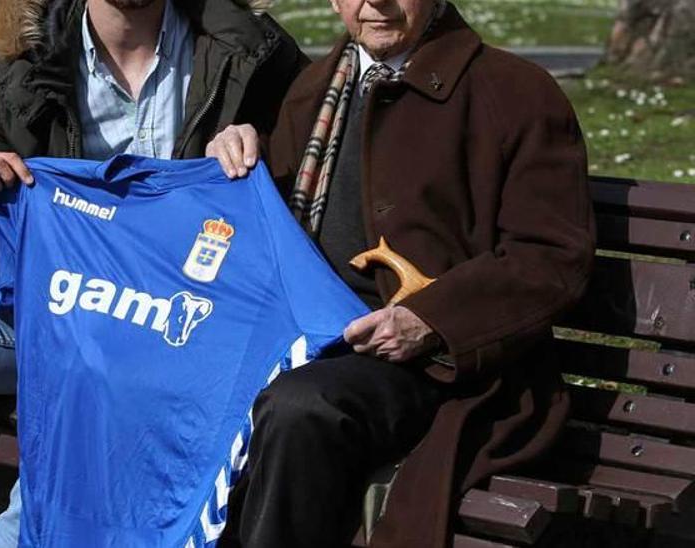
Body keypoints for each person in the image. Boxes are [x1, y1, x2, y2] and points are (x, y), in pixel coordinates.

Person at [0, 0, 307, 544]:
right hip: (35, 319)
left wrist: (261, 154)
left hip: (171, 335)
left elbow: (311, 191)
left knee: (106, 368)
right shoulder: (20, 65)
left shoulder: (250, 55)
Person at [205, 0, 594, 546]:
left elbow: (551, 256)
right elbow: (267, 224)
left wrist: (429, 321)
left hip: (447, 369)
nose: (375, 3)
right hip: (312, 345)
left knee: (301, 408)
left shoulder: (516, 93)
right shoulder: (314, 90)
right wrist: (235, 150)